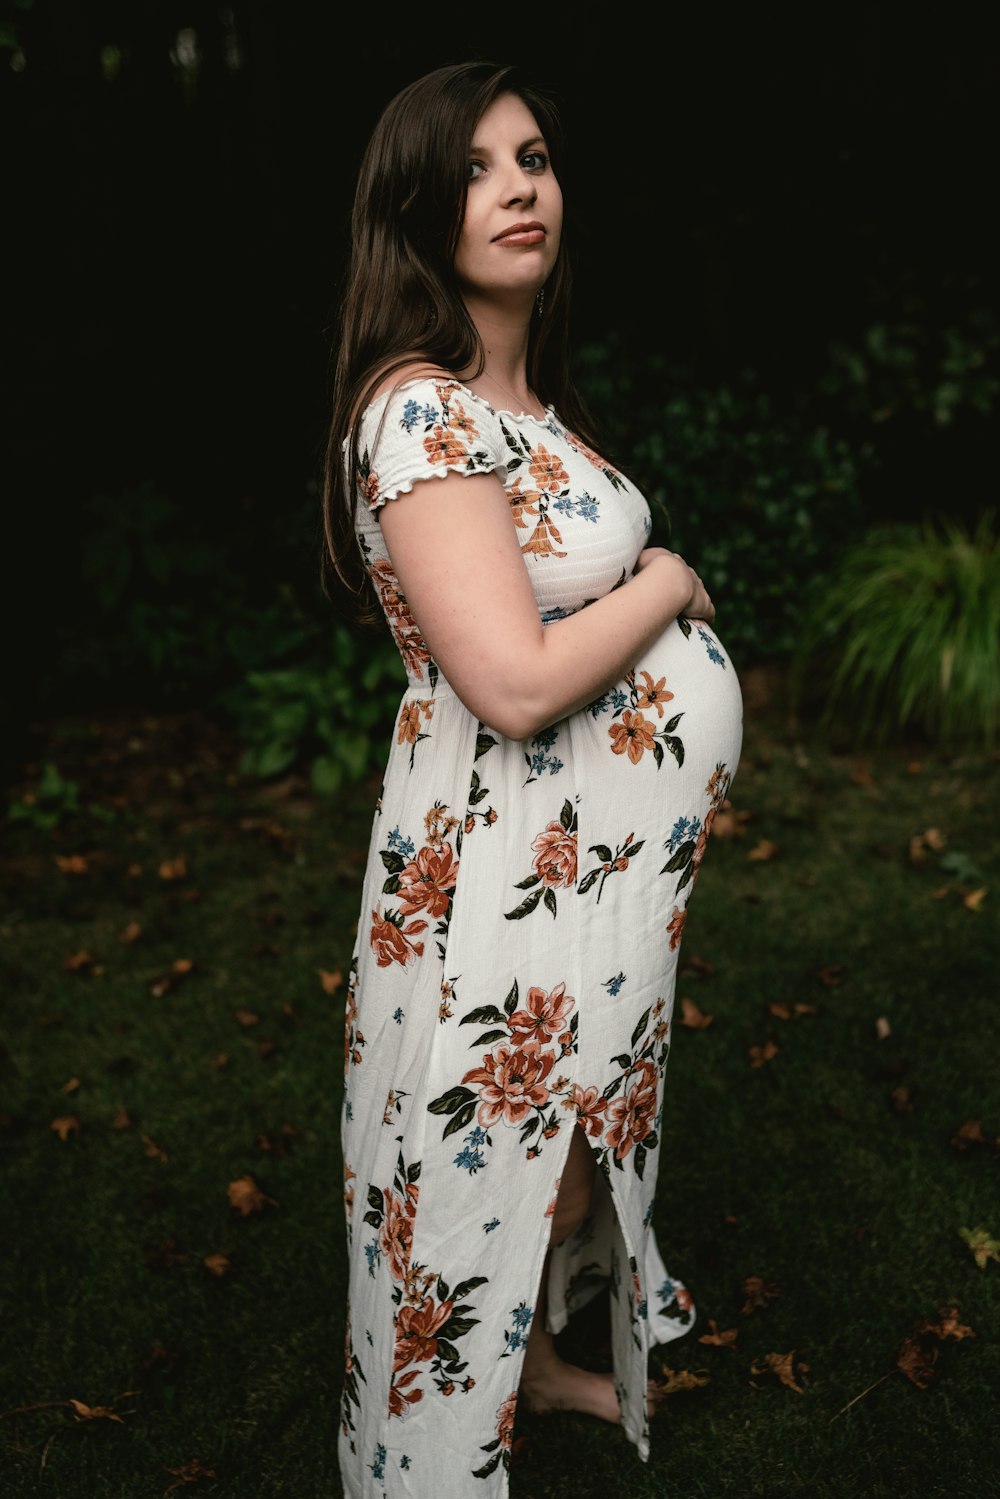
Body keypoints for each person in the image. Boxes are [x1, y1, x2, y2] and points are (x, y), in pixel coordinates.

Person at [321, 59, 743, 1499]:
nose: (521, 187)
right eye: (482, 167)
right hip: (489, 865)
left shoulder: (527, 408)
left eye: (537, 158)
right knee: (485, 1143)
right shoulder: (421, 413)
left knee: (566, 1138)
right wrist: (670, 580)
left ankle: (534, 1362)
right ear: (419, 213)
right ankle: (437, 1440)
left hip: (585, 872)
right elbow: (509, 685)